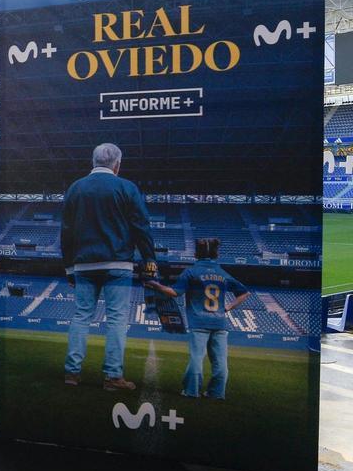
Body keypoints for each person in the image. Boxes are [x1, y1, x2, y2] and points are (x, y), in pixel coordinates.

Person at [60, 142, 158, 391]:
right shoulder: (127, 187)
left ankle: (72, 374)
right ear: (117, 165)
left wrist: (69, 267)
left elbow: (67, 231)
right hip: (118, 263)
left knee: (81, 317)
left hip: (83, 264)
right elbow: (141, 226)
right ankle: (113, 377)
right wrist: (149, 259)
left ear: (92, 162)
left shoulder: (76, 188)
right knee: (116, 319)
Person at [145, 238, 250, 399]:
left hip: (199, 322)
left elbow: (175, 292)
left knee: (196, 358)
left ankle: (191, 391)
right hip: (220, 323)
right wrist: (228, 307)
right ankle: (217, 393)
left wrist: (156, 285)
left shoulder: (191, 272)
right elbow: (245, 293)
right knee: (221, 362)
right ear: (216, 254)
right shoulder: (222, 273)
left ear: (195, 254)